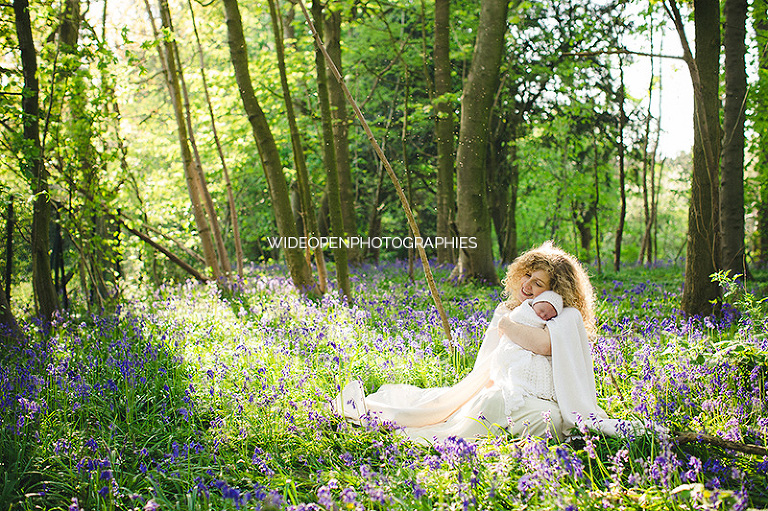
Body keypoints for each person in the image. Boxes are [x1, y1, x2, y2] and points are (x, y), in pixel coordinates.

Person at [331, 241, 626, 444]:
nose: (527, 285)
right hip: (511, 393)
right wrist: (469, 396)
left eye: (538, 283)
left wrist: (508, 326)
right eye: (526, 276)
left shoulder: (566, 316)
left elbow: (543, 345)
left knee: (550, 421)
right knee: (489, 401)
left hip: (552, 399)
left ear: (555, 291)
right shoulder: (506, 311)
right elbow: (488, 364)